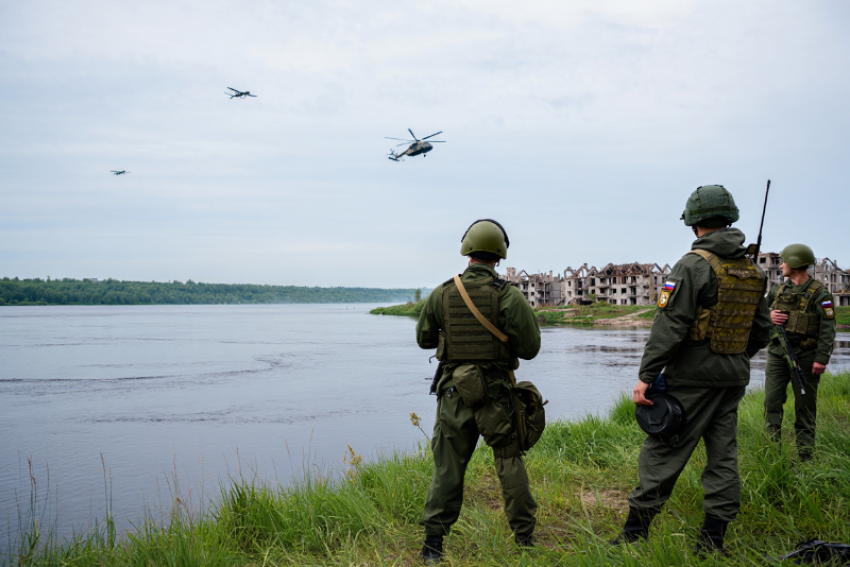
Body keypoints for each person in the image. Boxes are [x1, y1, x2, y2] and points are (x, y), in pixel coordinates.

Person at [611, 185, 772, 552]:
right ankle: (712, 542)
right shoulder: (751, 269)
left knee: (662, 451)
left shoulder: (692, 265)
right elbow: (761, 330)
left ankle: (633, 536)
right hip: (733, 377)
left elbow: (669, 326)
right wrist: (734, 356)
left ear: (695, 222)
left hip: (692, 378)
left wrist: (646, 377)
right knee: (723, 456)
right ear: (729, 218)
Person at [415, 219, 540, 564]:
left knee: (447, 467)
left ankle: (432, 547)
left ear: (467, 251)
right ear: (499, 255)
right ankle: (525, 540)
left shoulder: (442, 292)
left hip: (454, 393)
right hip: (497, 395)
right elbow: (529, 348)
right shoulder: (509, 295)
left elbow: (423, 338)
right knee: (509, 461)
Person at [764, 243, 836, 462]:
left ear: (795, 263)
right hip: (777, 355)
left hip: (806, 357)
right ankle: (772, 455)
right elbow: (759, 314)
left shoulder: (820, 294)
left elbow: (828, 329)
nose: (781, 265)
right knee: (772, 403)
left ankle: (805, 458)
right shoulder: (777, 290)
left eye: (784, 261)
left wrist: (821, 359)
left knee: (805, 408)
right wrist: (769, 316)